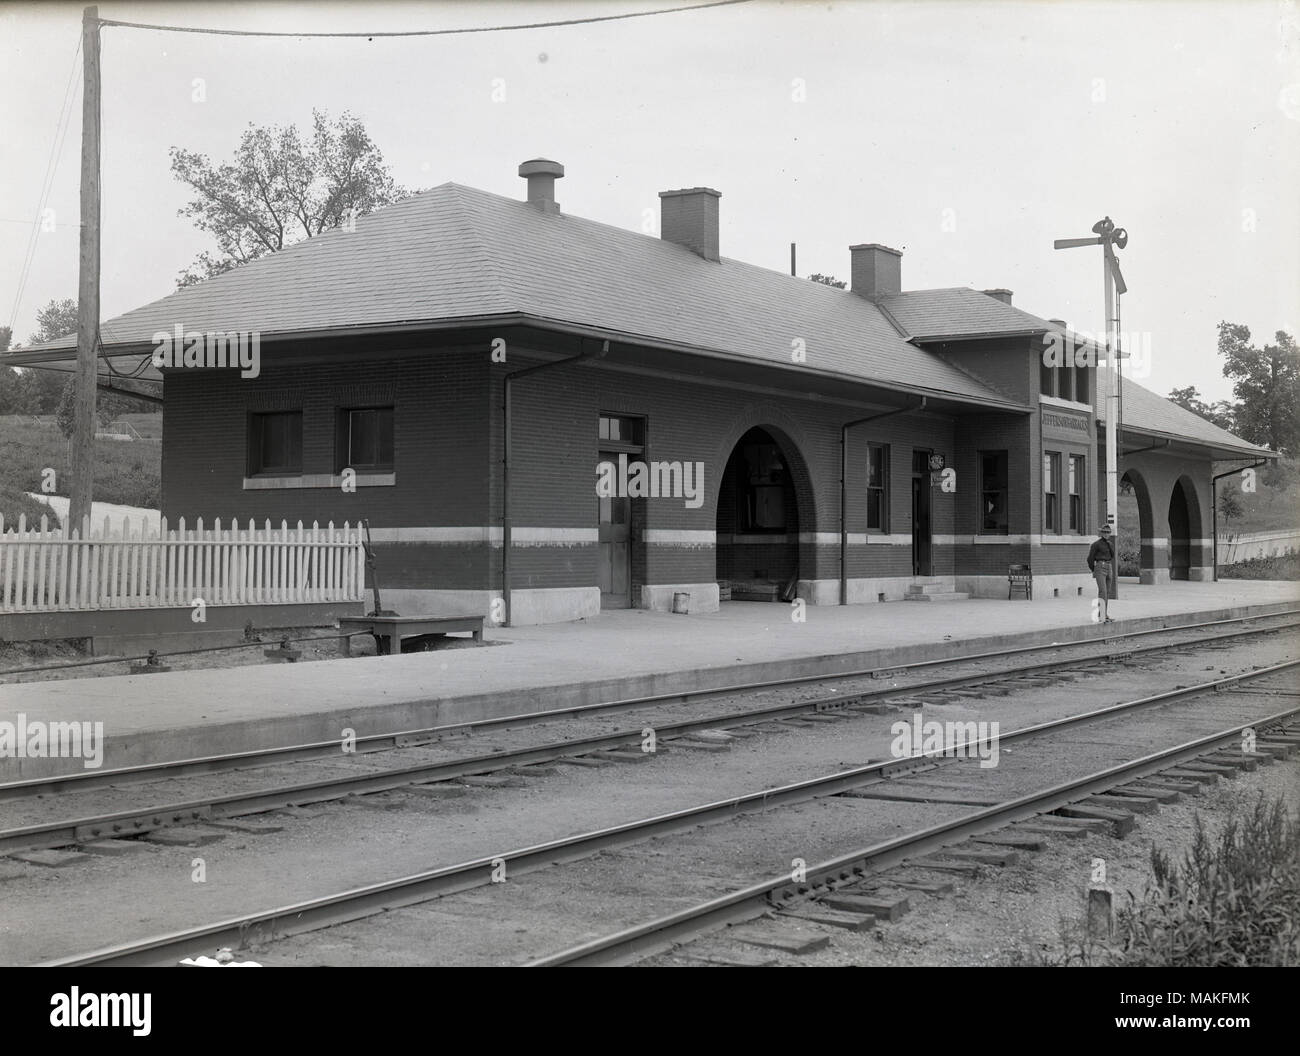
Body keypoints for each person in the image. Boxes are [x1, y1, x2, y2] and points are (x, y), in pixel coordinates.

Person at [1087, 524, 1116, 623]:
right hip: (1100, 567)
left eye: (1108, 532)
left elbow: (1112, 556)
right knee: (1102, 591)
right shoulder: (1096, 544)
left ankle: (1104, 614)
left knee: (1107, 592)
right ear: (1101, 533)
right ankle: (1101, 615)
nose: (1107, 534)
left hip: (1109, 567)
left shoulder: (1110, 544)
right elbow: (1090, 559)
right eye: (1105, 532)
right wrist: (1094, 569)